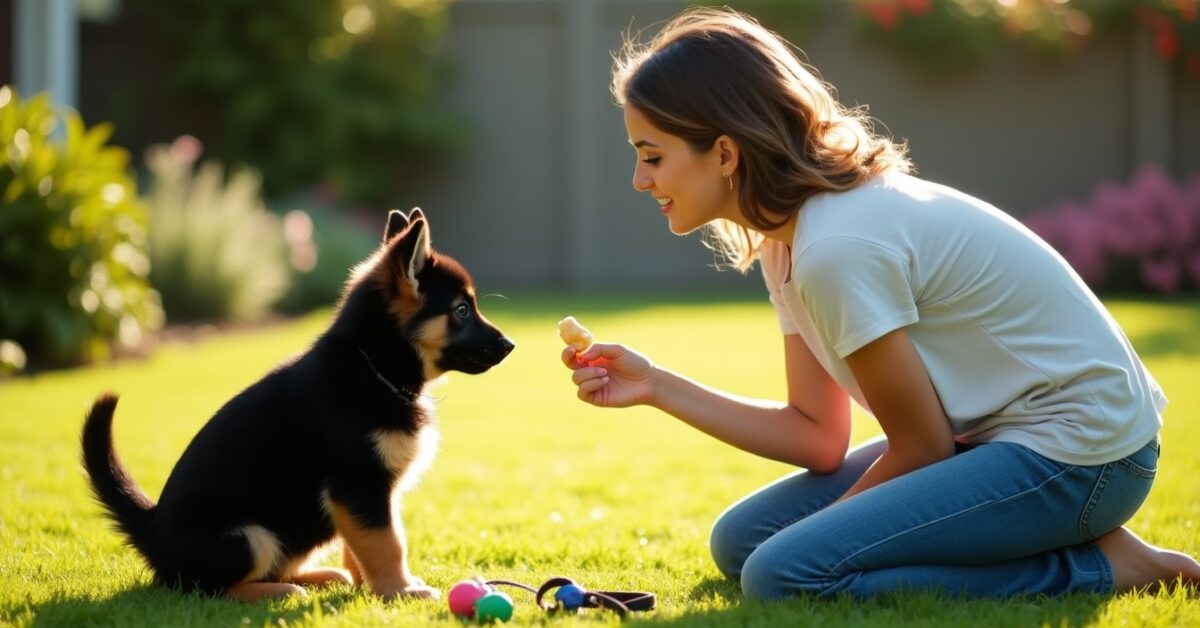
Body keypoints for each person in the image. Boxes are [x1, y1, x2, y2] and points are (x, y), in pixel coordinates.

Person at [560, 6, 1200, 600]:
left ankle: (1104, 566)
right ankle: (1050, 536)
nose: (641, 180)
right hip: (992, 441)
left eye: (652, 157)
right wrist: (657, 387)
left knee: (782, 573)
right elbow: (818, 436)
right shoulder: (786, 242)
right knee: (742, 543)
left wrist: (822, 541)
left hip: (1083, 457)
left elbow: (920, 446)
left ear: (724, 153)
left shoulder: (835, 247)